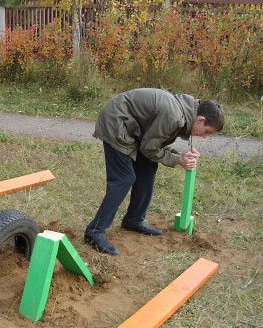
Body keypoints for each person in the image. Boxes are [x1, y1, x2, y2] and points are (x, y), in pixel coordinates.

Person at [84, 88, 225, 255]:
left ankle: (133, 220)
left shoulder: (184, 112)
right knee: (124, 179)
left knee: (148, 167)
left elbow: (153, 143)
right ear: (200, 120)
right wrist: (178, 159)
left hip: (133, 128)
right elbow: (149, 148)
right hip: (116, 122)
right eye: (207, 132)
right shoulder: (174, 116)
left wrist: (177, 155)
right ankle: (94, 232)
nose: (205, 136)